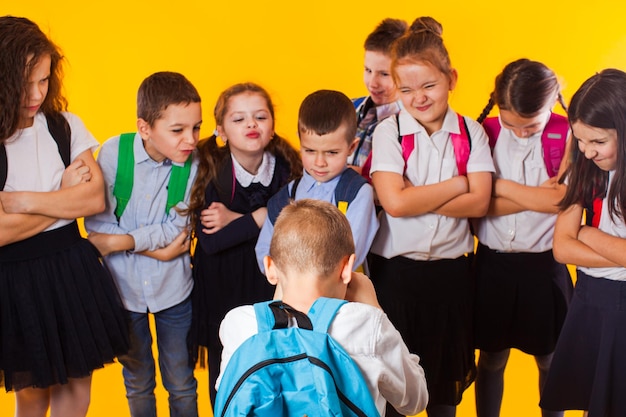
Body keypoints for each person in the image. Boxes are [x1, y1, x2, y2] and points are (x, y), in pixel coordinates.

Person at [0, 16, 129, 417]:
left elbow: (92, 199)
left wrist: (20, 201)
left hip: (71, 271)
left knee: (77, 391)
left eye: (43, 80)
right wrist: (59, 196)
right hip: (14, 278)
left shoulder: (64, 127)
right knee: (33, 395)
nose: (36, 93)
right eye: (25, 83)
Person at [368, 16, 495, 417]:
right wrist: (459, 185)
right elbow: (395, 204)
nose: (418, 97)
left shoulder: (472, 132)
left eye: (429, 86)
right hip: (394, 277)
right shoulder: (390, 133)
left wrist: (413, 194)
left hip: (450, 278)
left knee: (444, 390)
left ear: (451, 78)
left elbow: (480, 205)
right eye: (406, 89)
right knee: (390, 386)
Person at [218, 199, 428, 416]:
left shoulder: (239, 323)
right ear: (347, 268)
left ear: (270, 267)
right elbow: (415, 400)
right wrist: (374, 308)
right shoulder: (367, 324)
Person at [84, 71, 202, 417]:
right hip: (123, 293)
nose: (191, 139)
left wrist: (120, 241)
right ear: (145, 128)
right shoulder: (111, 154)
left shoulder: (192, 165)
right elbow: (96, 224)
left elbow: (176, 229)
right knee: (137, 381)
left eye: (196, 127)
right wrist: (156, 249)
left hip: (174, 290)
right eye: (178, 130)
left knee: (181, 382)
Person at [186, 82, 302, 406]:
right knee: (227, 368)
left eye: (260, 116)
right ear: (221, 131)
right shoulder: (210, 170)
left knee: (273, 364)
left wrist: (239, 217)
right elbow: (212, 243)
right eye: (239, 119)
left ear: (273, 126)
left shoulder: (287, 169)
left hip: (270, 280)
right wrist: (264, 215)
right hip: (220, 284)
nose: (251, 125)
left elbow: (292, 225)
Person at [471, 59, 573, 417]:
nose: (520, 133)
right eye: (511, 124)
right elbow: (477, 203)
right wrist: (532, 196)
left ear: (551, 103)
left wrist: (501, 190)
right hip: (492, 264)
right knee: (492, 358)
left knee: (550, 359)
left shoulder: (568, 133)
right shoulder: (486, 131)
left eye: (530, 125)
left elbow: (561, 200)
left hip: (544, 267)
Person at [539, 68, 626, 417]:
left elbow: (575, 238)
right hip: (589, 298)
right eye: (580, 140)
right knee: (594, 402)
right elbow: (562, 248)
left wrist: (587, 234)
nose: (587, 151)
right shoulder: (585, 171)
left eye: (598, 142)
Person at [255, 89, 379, 273]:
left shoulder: (356, 193)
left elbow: (352, 253)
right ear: (300, 143)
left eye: (332, 152)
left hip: (343, 296)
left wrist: (301, 275)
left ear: (351, 147)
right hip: (292, 294)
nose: (320, 163)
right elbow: (265, 251)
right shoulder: (287, 195)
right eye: (310, 151)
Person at [348, 18, 407, 180]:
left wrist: (361, 176)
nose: (373, 83)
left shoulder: (409, 125)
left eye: (384, 74)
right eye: (368, 70)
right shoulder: (347, 109)